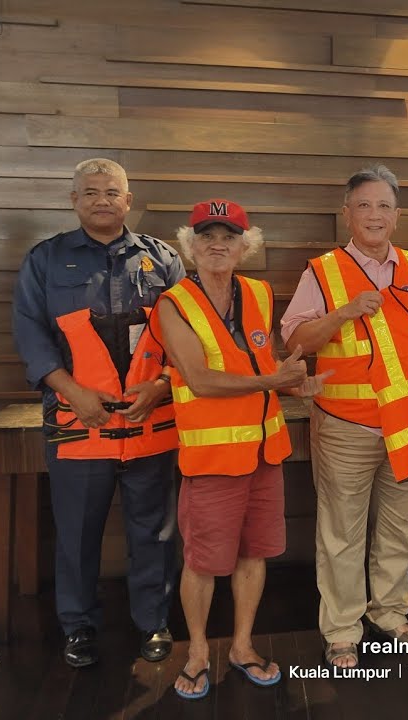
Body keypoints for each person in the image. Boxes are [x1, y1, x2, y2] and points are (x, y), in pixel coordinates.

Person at [13, 159, 184, 668]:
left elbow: (189, 336)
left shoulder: (164, 260)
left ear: (129, 200)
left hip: (149, 421)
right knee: (77, 532)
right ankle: (78, 626)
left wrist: (161, 386)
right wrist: (71, 392)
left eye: (113, 192)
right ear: (74, 201)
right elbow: (30, 332)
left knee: (154, 531)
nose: (102, 200)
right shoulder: (45, 260)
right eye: (90, 192)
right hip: (77, 424)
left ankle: (153, 621)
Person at [155, 199, 330, 698]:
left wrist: (297, 386)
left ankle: (242, 646)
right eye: (206, 235)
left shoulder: (256, 293)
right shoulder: (173, 304)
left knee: (256, 555)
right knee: (204, 561)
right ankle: (194, 653)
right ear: (189, 245)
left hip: (263, 453)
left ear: (244, 244)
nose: (217, 244)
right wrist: (275, 379)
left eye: (228, 236)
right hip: (212, 461)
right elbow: (200, 380)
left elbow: (263, 364)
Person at [281, 165, 408, 669]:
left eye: (384, 206)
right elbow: (296, 344)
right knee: (341, 531)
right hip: (346, 423)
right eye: (364, 205)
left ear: (397, 215)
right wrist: (343, 312)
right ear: (346, 214)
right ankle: (343, 627)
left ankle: (390, 612)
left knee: (398, 527)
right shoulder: (321, 272)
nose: (374, 215)